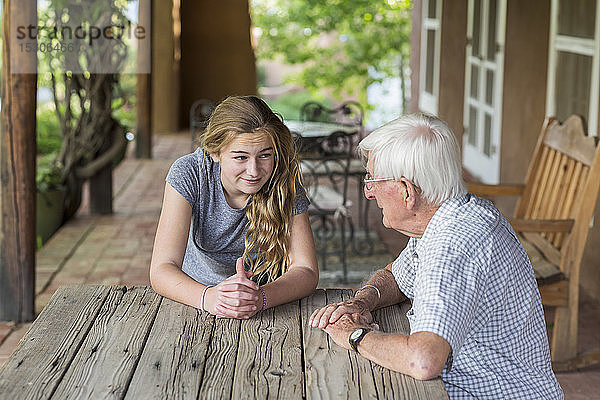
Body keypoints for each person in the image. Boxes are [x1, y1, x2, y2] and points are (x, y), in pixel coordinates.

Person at [309, 114, 563, 399]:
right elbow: (396, 275)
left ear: (406, 191)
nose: (368, 193)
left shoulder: (453, 245)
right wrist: (362, 301)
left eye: (372, 180)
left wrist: (354, 335)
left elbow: (423, 360)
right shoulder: (451, 216)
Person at [150, 95, 318, 319]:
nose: (254, 171)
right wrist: (210, 298)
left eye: (265, 155)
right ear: (215, 153)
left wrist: (261, 298)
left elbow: (306, 270)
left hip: (268, 302)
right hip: (196, 298)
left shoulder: (282, 177)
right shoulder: (190, 172)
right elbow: (162, 268)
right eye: (240, 157)